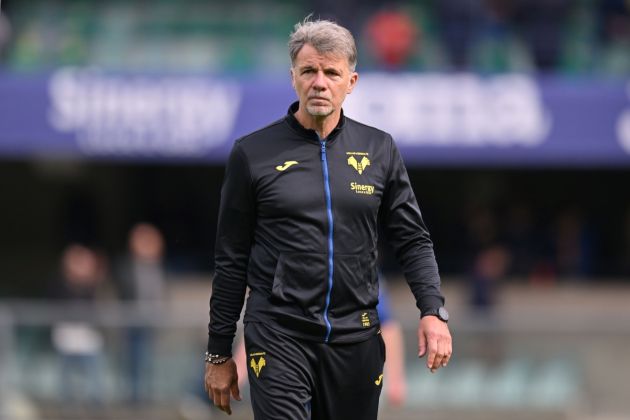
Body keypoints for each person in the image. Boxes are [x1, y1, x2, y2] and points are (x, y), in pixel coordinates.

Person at [204, 17, 452, 419]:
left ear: (350, 82)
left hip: (357, 338)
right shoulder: (251, 153)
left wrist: (432, 310)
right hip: (278, 332)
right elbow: (230, 258)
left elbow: (413, 240)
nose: (319, 82)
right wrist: (218, 351)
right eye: (309, 71)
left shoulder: (379, 149)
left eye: (331, 72)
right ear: (293, 78)